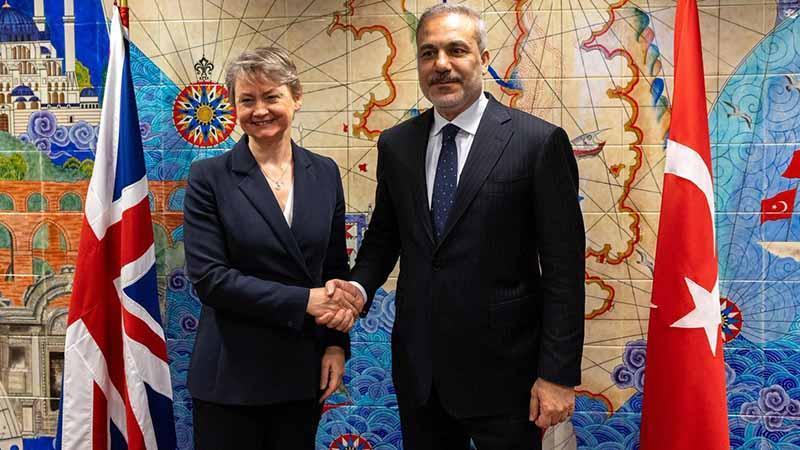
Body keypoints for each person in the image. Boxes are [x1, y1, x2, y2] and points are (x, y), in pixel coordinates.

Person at [328, 4, 586, 449]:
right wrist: (359, 288)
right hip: (422, 376)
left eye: (456, 50)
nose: (441, 64)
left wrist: (557, 375)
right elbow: (385, 238)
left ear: (483, 59)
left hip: (509, 377)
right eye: (428, 53)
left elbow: (564, 269)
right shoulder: (397, 145)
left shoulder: (538, 143)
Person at [183, 47, 358, 449]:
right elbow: (211, 280)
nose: (259, 110)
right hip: (230, 378)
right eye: (247, 100)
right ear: (234, 107)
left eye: (271, 96)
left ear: (296, 98)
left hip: (301, 372)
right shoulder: (209, 177)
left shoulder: (325, 173)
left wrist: (336, 345)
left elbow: (334, 268)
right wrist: (305, 301)